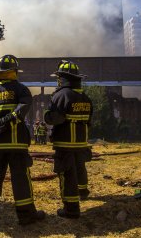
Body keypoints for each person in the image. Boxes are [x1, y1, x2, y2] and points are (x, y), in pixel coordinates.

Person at [0, 54, 45, 225]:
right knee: (20, 178)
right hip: (16, 144)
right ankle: (26, 215)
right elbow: (23, 108)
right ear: (14, 71)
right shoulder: (21, 89)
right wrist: (8, 119)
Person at [44, 60, 93, 219]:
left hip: (65, 144)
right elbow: (89, 120)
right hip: (81, 143)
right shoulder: (85, 97)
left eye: (59, 77)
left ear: (63, 78)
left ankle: (71, 209)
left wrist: (47, 115)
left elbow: (55, 118)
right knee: (80, 168)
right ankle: (83, 191)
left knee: (67, 174)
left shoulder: (60, 95)